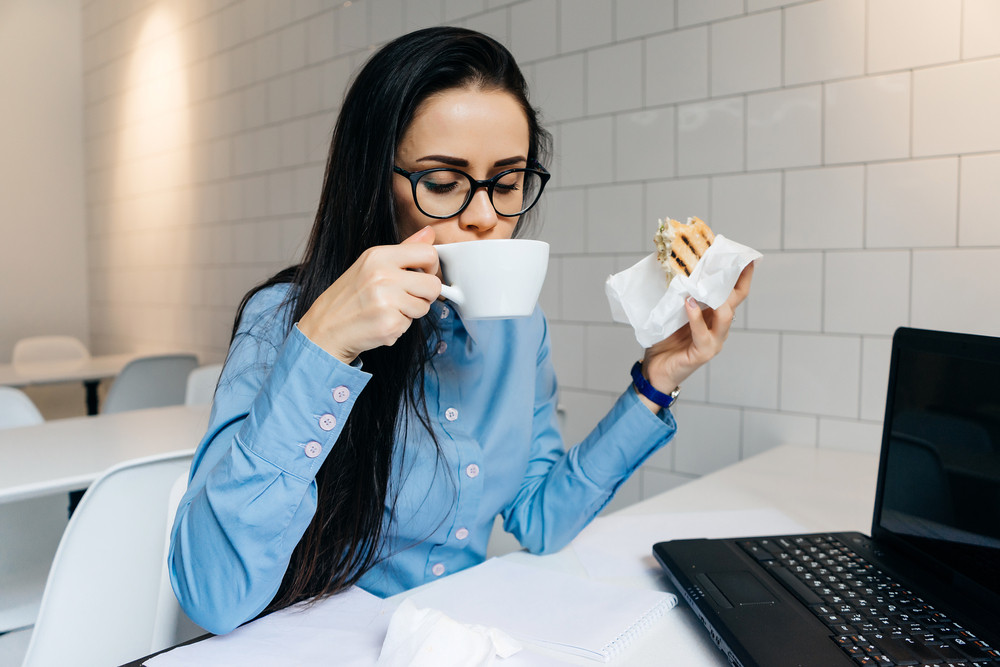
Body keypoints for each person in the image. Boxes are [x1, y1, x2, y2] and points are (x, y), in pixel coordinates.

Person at [168, 26, 753, 635]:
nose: (484, 217)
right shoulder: (283, 321)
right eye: (443, 184)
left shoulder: (521, 330)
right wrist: (323, 349)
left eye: (506, 184)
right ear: (374, 182)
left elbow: (541, 518)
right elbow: (212, 596)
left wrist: (657, 381)